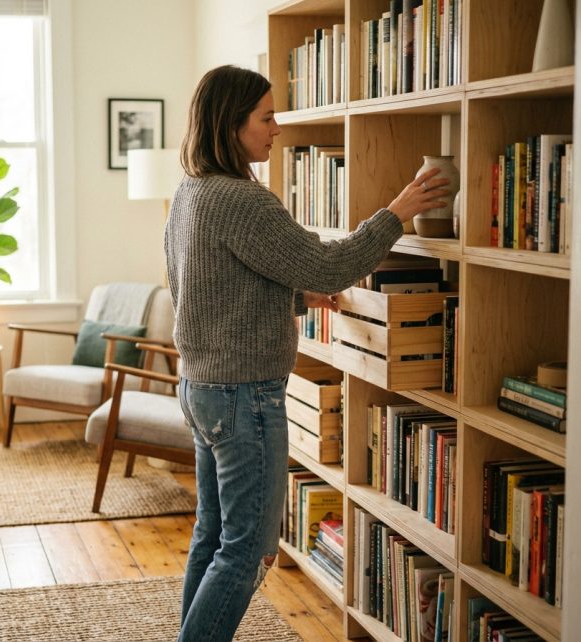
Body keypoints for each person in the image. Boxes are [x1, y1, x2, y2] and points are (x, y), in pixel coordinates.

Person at [164, 64, 450, 642]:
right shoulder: (243, 199)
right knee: (249, 552)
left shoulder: (191, 192)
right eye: (266, 117)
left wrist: (296, 296)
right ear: (231, 122)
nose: (277, 128)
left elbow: (204, 286)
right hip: (246, 397)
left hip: (202, 389)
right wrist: (397, 211)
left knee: (213, 534)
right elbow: (332, 263)